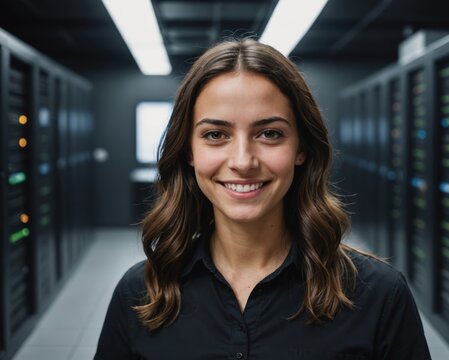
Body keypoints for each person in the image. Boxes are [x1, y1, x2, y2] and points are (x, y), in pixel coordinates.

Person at [94, 38, 431, 360]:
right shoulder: (140, 292)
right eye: (215, 135)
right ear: (188, 152)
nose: (243, 161)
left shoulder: (378, 295)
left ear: (301, 149)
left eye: (269, 134)